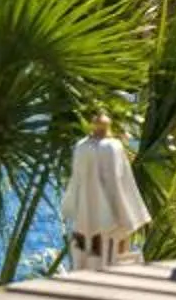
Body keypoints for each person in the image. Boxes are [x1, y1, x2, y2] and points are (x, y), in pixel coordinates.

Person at [63, 110, 153, 273]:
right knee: (106, 255)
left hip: (91, 215)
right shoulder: (103, 147)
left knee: (96, 256)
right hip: (107, 215)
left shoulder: (86, 147)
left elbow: (116, 179)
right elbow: (120, 180)